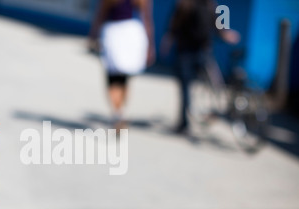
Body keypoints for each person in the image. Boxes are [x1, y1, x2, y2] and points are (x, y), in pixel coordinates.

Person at [161, 0, 240, 134]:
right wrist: (167, 42)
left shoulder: (210, 5)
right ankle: (184, 123)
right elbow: (173, 25)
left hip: (203, 51)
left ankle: (215, 112)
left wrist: (227, 34)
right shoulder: (185, 4)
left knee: (216, 85)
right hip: (185, 52)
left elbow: (218, 26)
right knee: (185, 88)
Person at [89, 0, 156, 131]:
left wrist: (93, 36)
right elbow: (147, 19)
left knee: (113, 78)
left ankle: (118, 112)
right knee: (123, 78)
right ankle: (120, 112)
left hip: (115, 34)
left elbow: (100, 16)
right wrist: (150, 45)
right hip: (131, 34)